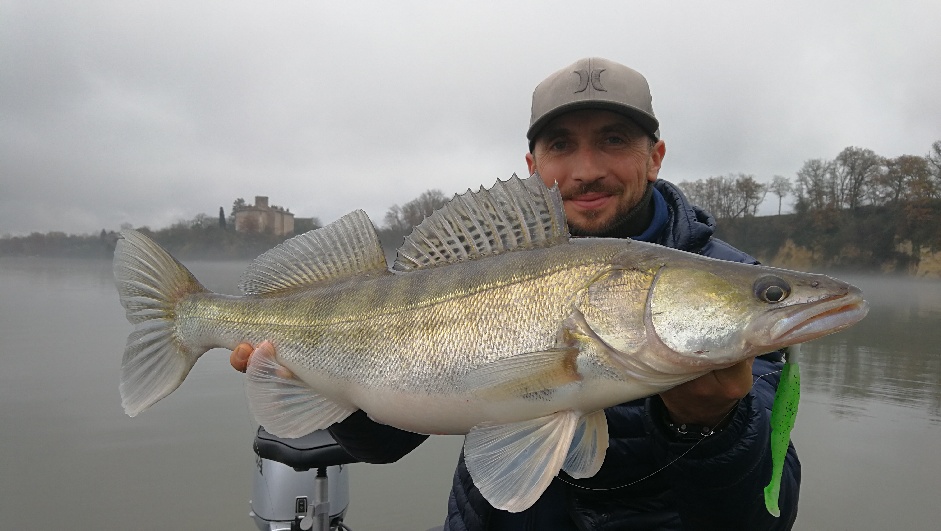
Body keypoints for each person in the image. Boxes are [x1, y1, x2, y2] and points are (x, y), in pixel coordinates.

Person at [231, 57, 800, 530]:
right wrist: (312, 375)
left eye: (614, 140)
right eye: (560, 145)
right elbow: (385, 441)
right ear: (533, 165)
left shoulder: (739, 291)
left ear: (654, 156)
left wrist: (713, 425)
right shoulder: (488, 261)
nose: (586, 169)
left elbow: (767, 514)